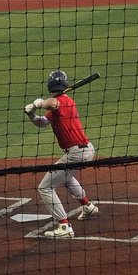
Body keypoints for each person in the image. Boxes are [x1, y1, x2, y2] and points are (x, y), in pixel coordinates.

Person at [24, 70, 99, 238]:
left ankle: (64, 226)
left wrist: (40, 103)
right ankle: (88, 206)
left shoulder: (62, 101)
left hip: (76, 153)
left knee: (45, 187)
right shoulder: (63, 102)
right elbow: (43, 122)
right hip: (83, 151)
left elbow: (52, 104)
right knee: (64, 176)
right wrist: (31, 115)